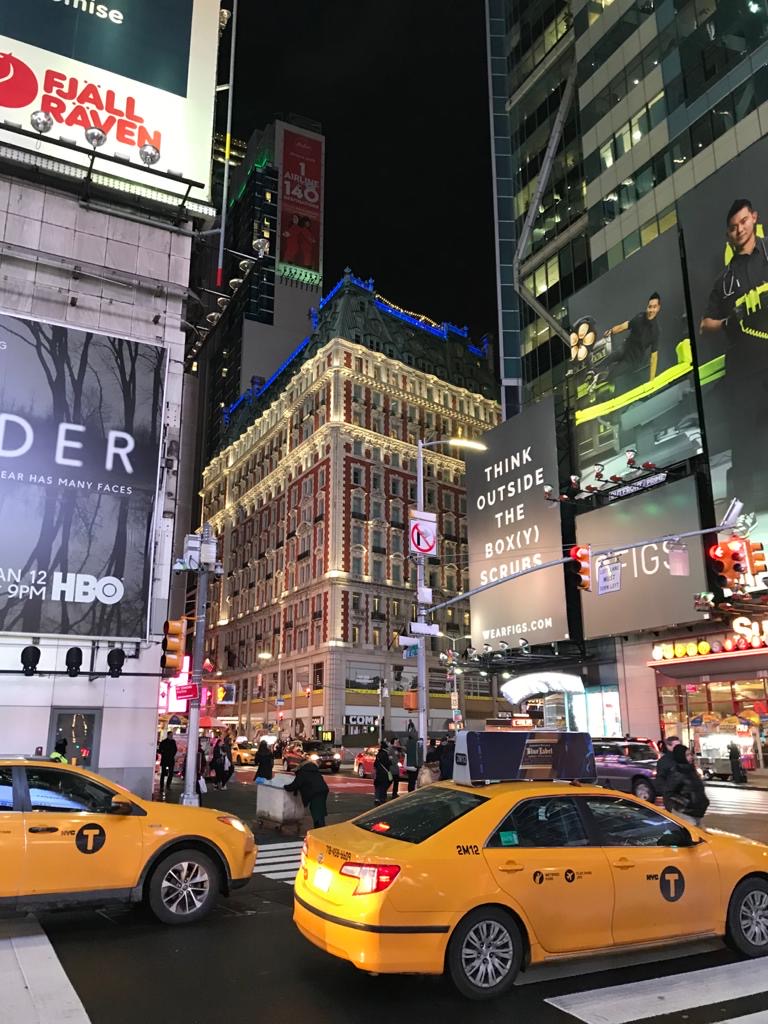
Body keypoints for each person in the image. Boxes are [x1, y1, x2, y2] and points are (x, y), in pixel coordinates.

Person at [700, 199, 768, 510]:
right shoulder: (724, 281)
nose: (739, 228)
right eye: (733, 226)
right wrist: (730, 319)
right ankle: (744, 510)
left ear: (753, 218)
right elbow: (706, 324)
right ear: (728, 234)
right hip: (745, 369)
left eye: (743, 221)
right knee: (744, 440)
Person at [590, 293, 662, 391]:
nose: (651, 310)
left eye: (654, 307)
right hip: (625, 348)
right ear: (647, 307)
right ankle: (592, 371)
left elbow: (654, 357)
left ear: (658, 308)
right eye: (650, 307)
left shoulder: (655, 331)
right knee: (612, 357)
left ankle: (598, 382)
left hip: (632, 360)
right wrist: (611, 331)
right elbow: (624, 326)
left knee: (612, 373)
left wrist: (652, 381)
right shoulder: (640, 317)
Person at [666, 745, 709, 826]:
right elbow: (669, 794)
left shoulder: (691, 770)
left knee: (698, 834)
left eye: (690, 754)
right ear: (680, 756)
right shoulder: (677, 772)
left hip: (696, 812)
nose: (690, 757)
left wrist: (704, 801)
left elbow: (697, 789)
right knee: (693, 834)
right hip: (684, 812)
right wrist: (686, 803)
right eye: (687, 755)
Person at [284, 755, 329, 828]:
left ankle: (319, 829)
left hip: (315, 793)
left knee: (316, 811)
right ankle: (320, 827)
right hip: (323, 790)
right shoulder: (314, 770)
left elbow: (296, 784)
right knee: (320, 810)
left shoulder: (303, 772)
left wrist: (285, 787)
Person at [656, 735, 680, 810]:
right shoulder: (664, 761)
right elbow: (660, 779)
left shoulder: (683, 758)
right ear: (668, 746)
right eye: (676, 745)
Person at [373, 741, 392, 806]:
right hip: (384, 773)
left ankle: (377, 799)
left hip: (378, 773)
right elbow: (388, 763)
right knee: (384, 786)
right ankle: (382, 798)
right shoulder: (386, 754)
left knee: (378, 786)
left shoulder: (378, 754)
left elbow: (375, 764)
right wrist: (390, 761)